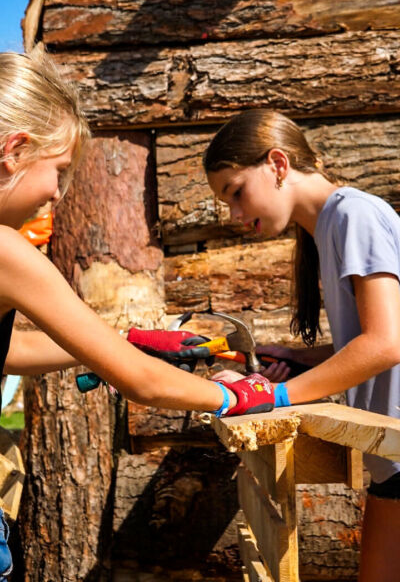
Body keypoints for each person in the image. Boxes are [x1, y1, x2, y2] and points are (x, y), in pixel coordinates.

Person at [0, 51, 277, 577]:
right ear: (15, 150)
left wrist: (120, 339)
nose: (57, 194)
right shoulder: (7, 252)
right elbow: (142, 385)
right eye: (57, 172)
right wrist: (238, 393)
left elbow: (9, 351)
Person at [202, 108, 400, 582]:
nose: (233, 214)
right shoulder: (327, 227)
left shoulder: (354, 213)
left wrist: (275, 396)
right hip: (391, 466)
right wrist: (297, 360)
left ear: (277, 164)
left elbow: (387, 344)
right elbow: (367, 346)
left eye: (235, 192)